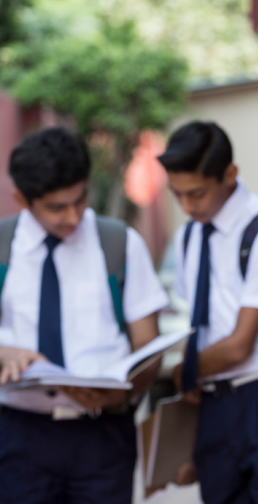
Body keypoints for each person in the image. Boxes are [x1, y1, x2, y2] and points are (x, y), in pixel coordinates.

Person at [0, 127, 169, 504]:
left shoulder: (119, 243)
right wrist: (3, 354)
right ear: (22, 199)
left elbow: (148, 345)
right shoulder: (1, 247)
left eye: (80, 200)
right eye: (57, 207)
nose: (73, 216)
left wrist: (121, 390)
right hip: (18, 436)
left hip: (103, 436)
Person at [158, 121, 258, 504]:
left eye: (196, 193)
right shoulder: (189, 235)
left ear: (230, 174)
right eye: (176, 195)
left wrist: (183, 372)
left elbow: (238, 346)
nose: (187, 206)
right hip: (213, 399)